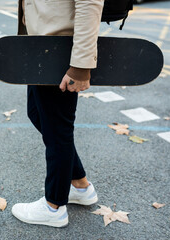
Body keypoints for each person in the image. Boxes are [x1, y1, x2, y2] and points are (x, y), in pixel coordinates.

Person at [11, 0, 104, 227]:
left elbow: (90, 3)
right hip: (40, 43)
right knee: (37, 113)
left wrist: (81, 65)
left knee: (58, 128)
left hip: (60, 48)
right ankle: (80, 185)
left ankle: (54, 206)